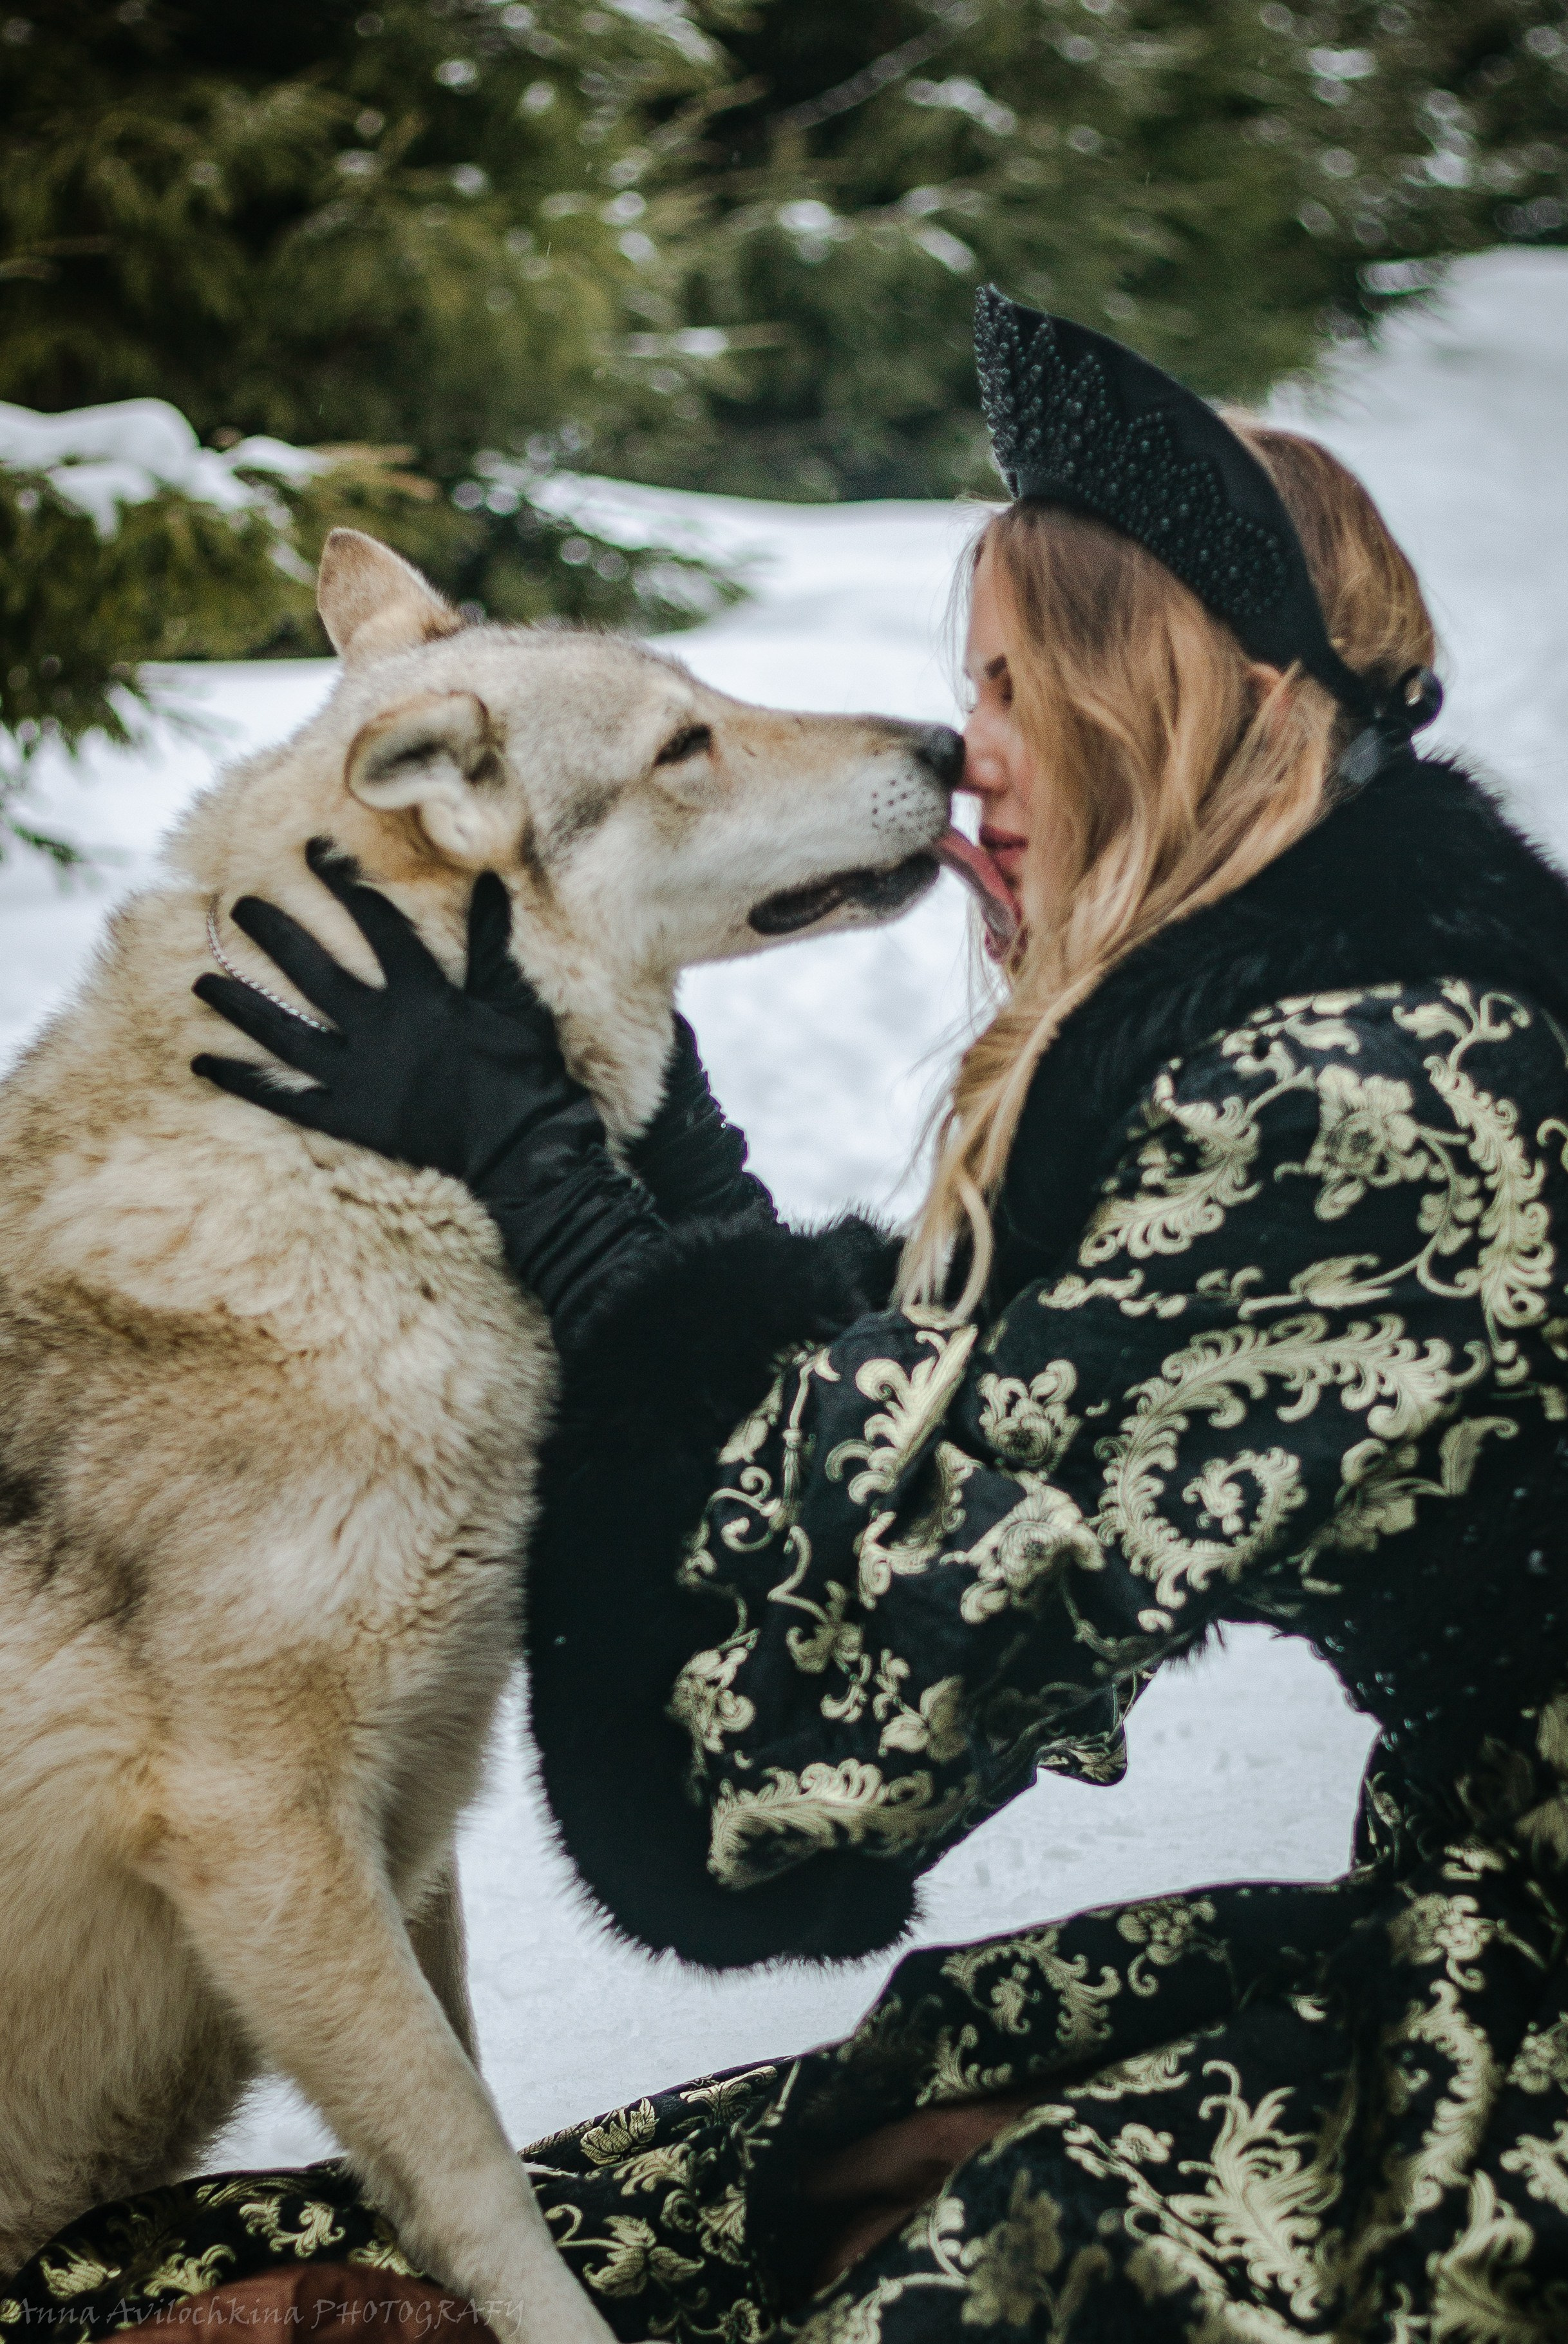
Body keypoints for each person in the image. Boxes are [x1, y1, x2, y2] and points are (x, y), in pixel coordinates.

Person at [15, 292, 1568, 2341]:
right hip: (1471, 1942)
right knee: (633, 2218)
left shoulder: (1361, 1105)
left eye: (1009, 688)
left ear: (1171, 704)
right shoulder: (1340, 1018)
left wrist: (563, 1195)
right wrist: (652, 1157)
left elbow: (809, 1748)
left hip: (1518, 2082)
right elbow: (944, 1406)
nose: (960, 753)